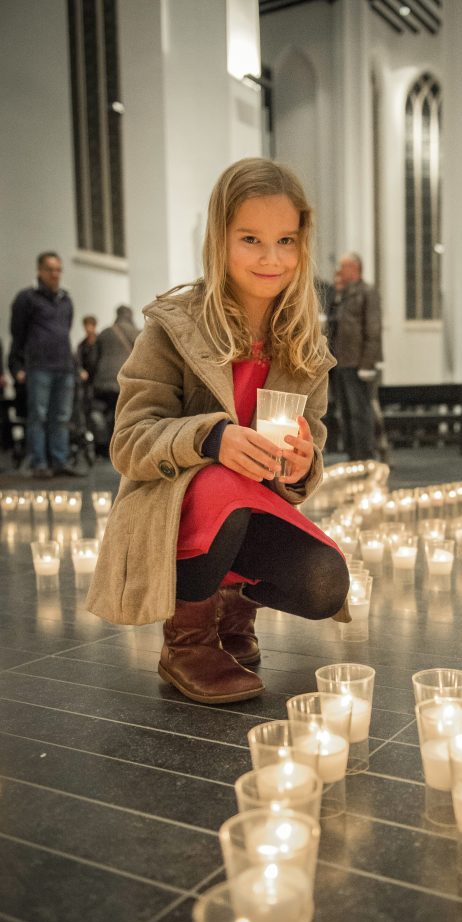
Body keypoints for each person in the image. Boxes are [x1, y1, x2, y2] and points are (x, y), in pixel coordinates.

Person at [86, 158, 350, 705]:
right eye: (251, 238)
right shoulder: (173, 329)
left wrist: (303, 465)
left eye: (286, 240)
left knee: (326, 582)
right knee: (224, 486)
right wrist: (213, 438)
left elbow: (312, 442)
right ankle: (186, 641)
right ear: (219, 237)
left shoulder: (303, 348)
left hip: (249, 506)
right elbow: (129, 442)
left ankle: (231, 610)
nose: (270, 257)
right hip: (176, 507)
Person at [9, 251, 81, 478]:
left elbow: (65, 329)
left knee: (61, 417)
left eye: (58, 269)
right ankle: (39, 463)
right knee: (38, 416)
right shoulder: (27, 298)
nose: (55, 274)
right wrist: (17, 365)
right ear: (40, 271)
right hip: (38, 366)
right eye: (50, 269)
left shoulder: (66, 300)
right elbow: (17, 333)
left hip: (64, 366)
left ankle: (59, 461)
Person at [333, 252, 383, 460]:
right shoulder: (342, 294)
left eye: (343, 267)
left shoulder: (367, 292)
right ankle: (352, 455)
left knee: (359, 413)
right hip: (341, 361)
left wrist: (367, 363)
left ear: (354, 269)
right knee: (345, 413)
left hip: (358, 363)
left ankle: (364, 456)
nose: (339, 271)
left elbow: (373, 328)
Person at [92, 305, 140, 444]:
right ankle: (119, 445)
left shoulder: (104, 333)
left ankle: (104, 443)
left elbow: (93, 359)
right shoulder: (135, 332)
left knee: (106, 411)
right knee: (122, 414)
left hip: (102, 381)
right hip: (124, 380)